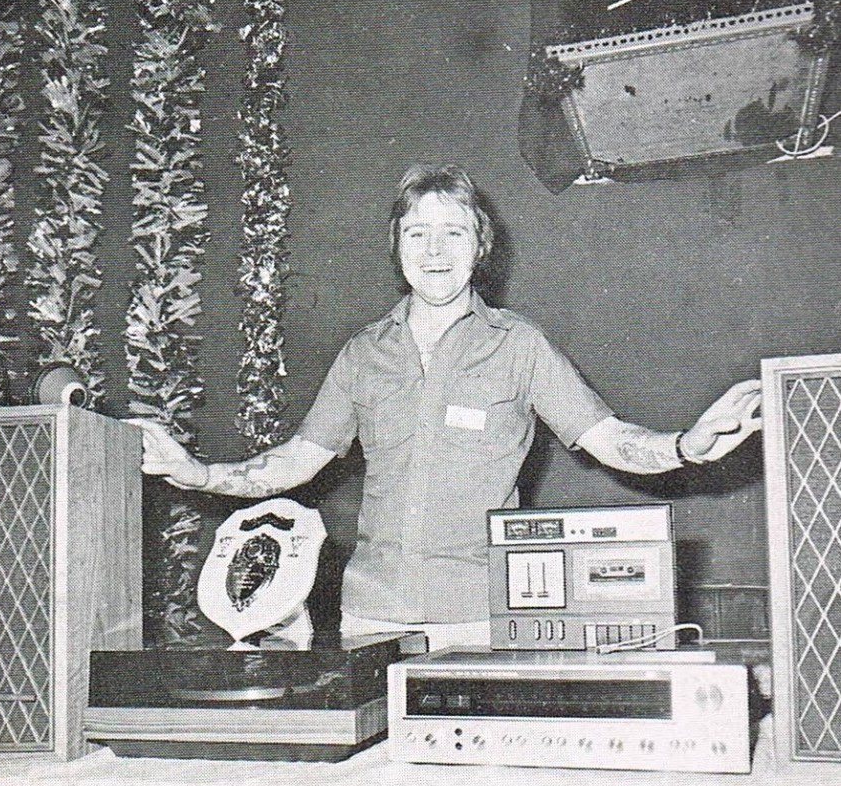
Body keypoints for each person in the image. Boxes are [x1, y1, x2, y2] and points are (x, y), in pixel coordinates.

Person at [131, 163, 762, 650]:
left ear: (480, 246)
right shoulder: (363, 353)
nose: (435, 251)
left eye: (453, 233)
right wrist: (196, 473)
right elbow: (297, 460)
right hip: (370, 619)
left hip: (480, 620)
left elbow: (610, 439)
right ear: (397, 246)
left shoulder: (519, 345)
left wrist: (686, 445)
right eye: (418, 233)